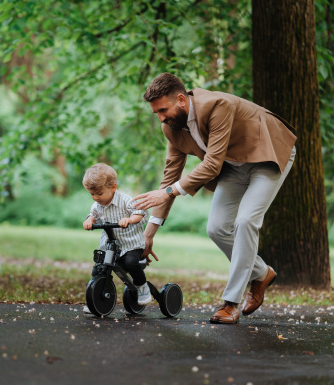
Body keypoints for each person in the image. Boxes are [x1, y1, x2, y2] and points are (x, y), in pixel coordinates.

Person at [133, 73, 297, 324]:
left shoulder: (218, 106)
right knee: (217, 228)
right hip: (234, 166)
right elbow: (169, 178)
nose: (161, 118)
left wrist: (168, 192)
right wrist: (149, 233)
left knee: (246, 221)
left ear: (181, 99)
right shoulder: (172, 127)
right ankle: (262, 273)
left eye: (163, 110)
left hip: (268, 154)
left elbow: (210, 166)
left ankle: (231, 304)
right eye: (156, 113)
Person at [82, 163, 151, 312]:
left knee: (130, 262)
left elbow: (140, 212)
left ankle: (142, 287)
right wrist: (90, 221)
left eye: (99, 193)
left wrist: (130, 219)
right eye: (92, 194)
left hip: (130, 244)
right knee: (99, 269)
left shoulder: (125, 200)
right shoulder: (97, 205)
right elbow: (92, 215)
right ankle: (95, 299)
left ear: (113, 187)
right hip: (109, 245)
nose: (95, 197)